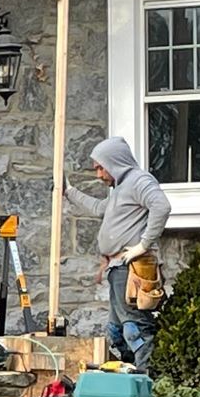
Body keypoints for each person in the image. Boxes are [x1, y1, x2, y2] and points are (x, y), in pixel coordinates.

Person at [65, 136, 171, 369]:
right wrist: (69, 191)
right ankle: (130, 373)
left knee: (135, 328)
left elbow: (161, 206)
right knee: (117, 331)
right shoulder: (121, 188)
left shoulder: (139, 180)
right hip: (118, 268)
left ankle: (145, 377)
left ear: (114, 162)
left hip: (131, 267)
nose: (99, 175)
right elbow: (99, 208)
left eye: (101, 168)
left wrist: (143, 245)